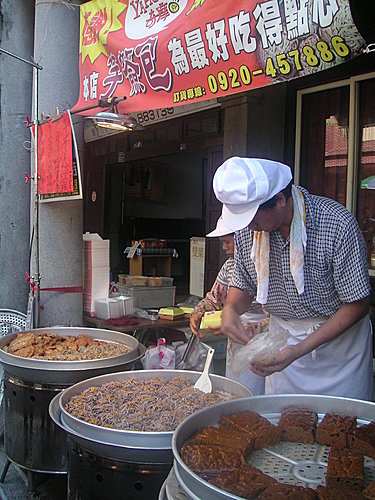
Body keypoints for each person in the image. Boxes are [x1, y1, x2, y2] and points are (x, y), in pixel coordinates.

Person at [212, 156, 373, 400]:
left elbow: (357, 304)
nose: (250, 227)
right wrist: (231, 311)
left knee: (341, 427)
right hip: (283, 344)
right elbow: (243, 282)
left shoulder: (336, 224)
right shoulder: (248, 233)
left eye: (253, 218)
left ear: (279, 200)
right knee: (285, 423)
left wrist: (299, 349)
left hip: (339, 349)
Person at [190, 215, 269, 395]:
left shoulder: (265, 264)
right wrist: (200, 311)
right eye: (222, 242)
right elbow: (214, 298)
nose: (225, 247)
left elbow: (276, 318)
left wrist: (247, 329)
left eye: (228, 241)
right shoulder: (229, 267)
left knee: (258, 391)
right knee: (236, 390)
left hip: (265, 337)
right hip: (235, 333)